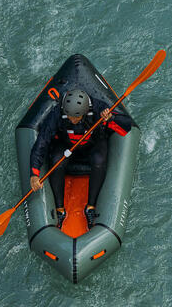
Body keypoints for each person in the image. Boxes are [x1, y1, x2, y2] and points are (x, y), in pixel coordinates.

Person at [29, 88, 132, 228]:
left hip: (93, 143)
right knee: (56, 162)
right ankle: (60, 209)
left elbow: (127, 126)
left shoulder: (98, 108)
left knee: (99, 161)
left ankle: (90, 207)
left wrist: (111, 118)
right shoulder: (57, 113)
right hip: (66, 145)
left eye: (76, 117)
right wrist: (34, 174)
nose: (72, 119)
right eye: (69, 116)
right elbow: (42, 142)